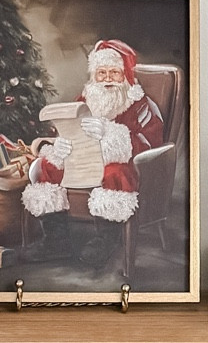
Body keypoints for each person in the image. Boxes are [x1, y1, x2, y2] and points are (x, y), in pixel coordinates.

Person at [21, 40, 167, 223]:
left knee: (114, 173)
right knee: (48, 166)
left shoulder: (139, 105)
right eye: (101, 73)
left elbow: (150, 143)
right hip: (81, 160)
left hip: (119, 164)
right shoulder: (84, 100)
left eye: (114, 72)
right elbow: (69, 130)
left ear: (125, 76)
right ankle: (56, 234)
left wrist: (110, 134)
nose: (107, 78)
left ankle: (107, 235)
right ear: (94, 76)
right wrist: (61, 146)